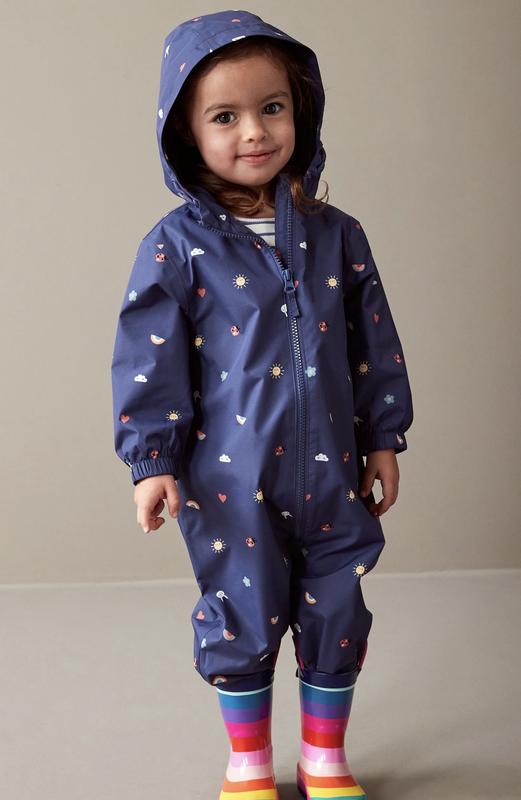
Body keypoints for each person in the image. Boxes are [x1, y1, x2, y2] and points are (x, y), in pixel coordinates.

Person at [110, 9, 413, 800]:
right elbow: (150, 359)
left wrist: (383, 438)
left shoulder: (336, 234)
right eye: (224, 116)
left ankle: (323, 759)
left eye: (271, 107)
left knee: (337, 606)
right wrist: (151, 460)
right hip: (228, 478)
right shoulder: (176, 245)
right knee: (238, 611)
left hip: (333, 472)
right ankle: (247, 763)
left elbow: (372, 343)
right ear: (184, 133)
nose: (254, 130)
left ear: (299, 109)